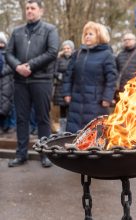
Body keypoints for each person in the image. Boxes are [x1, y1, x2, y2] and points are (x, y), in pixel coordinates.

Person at [6, 0, 59, 167]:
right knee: (22, 118)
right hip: (20, 81)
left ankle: (44, 154)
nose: (29, 11)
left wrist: (31, 66)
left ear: (40, 11)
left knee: (42, 117)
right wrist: (17, 66)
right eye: (27, 8)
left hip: (41, 80)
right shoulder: (17, 31)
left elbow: (52, 51)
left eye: (32, 8)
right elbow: (8, 53)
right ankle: (21, 154)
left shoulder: (50, 30)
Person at [62, 21, 117, 133]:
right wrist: (66, 93)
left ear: (99, 36)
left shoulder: (107, 55)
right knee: (74, 133)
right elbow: (68, 75)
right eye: (86, 34)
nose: (87, 36)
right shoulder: (77, 54)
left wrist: (107, 98)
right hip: (76, 100)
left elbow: (111, 78)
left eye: (90, 34)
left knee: (94, 134)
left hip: (96, 101)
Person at [53, 40, 74, 133]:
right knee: (62, 109)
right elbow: (54, 71)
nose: (66, 50)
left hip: (72, 86)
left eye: (68, 48)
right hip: (60, 87)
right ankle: (62, 129)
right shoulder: (59, 59)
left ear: (72, 49)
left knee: (71, 108)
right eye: (64, 48)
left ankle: (70, 128)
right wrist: (60, 76)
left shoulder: (75, 58)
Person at [0, 32, 15, 135]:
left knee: (8, 104)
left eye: (2, 42)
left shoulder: (9, 53)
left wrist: (2, 72)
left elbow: (13, 66)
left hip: (8, 81)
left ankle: (10, 126)